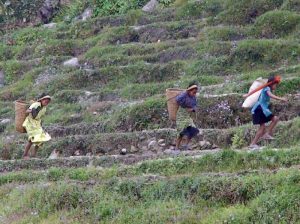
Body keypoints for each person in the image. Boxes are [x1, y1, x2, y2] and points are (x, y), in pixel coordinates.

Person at [248, 76, 287, 150]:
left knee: (262, 127)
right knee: (275, 119)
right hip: (260, 109)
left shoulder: (265, 88)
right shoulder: (267, 88)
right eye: (275, 84)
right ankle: (266, 134)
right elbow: (270, 95)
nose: (276, 86)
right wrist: (281, 99)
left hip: (258, 109)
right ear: (272, 84)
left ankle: (253, 143)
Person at [22, 93, 52, 159]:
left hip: (37, 124)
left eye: (47, 102)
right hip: (30, 123)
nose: (46, 102)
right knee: (32, 139)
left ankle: (33, 155)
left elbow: (40, 117)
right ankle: (25, 155)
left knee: (41, 139)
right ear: (41, 100)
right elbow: (27, 111)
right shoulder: (36, 105)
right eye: (45, 101)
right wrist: (32, 110)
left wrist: (40, 124)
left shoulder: (44, 108)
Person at [175, 83, 200, 150]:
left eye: (195, 92)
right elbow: (177, 100)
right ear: (189, 91)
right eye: (193, 92)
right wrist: (186, 92)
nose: (194, 94)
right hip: (181, 116)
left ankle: (185, 145)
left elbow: (194, 106)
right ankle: (176, 148)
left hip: (187, 116)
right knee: (181, 132)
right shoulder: (183, 95)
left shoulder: (193, 98)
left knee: (193, 129)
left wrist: (193, 109)